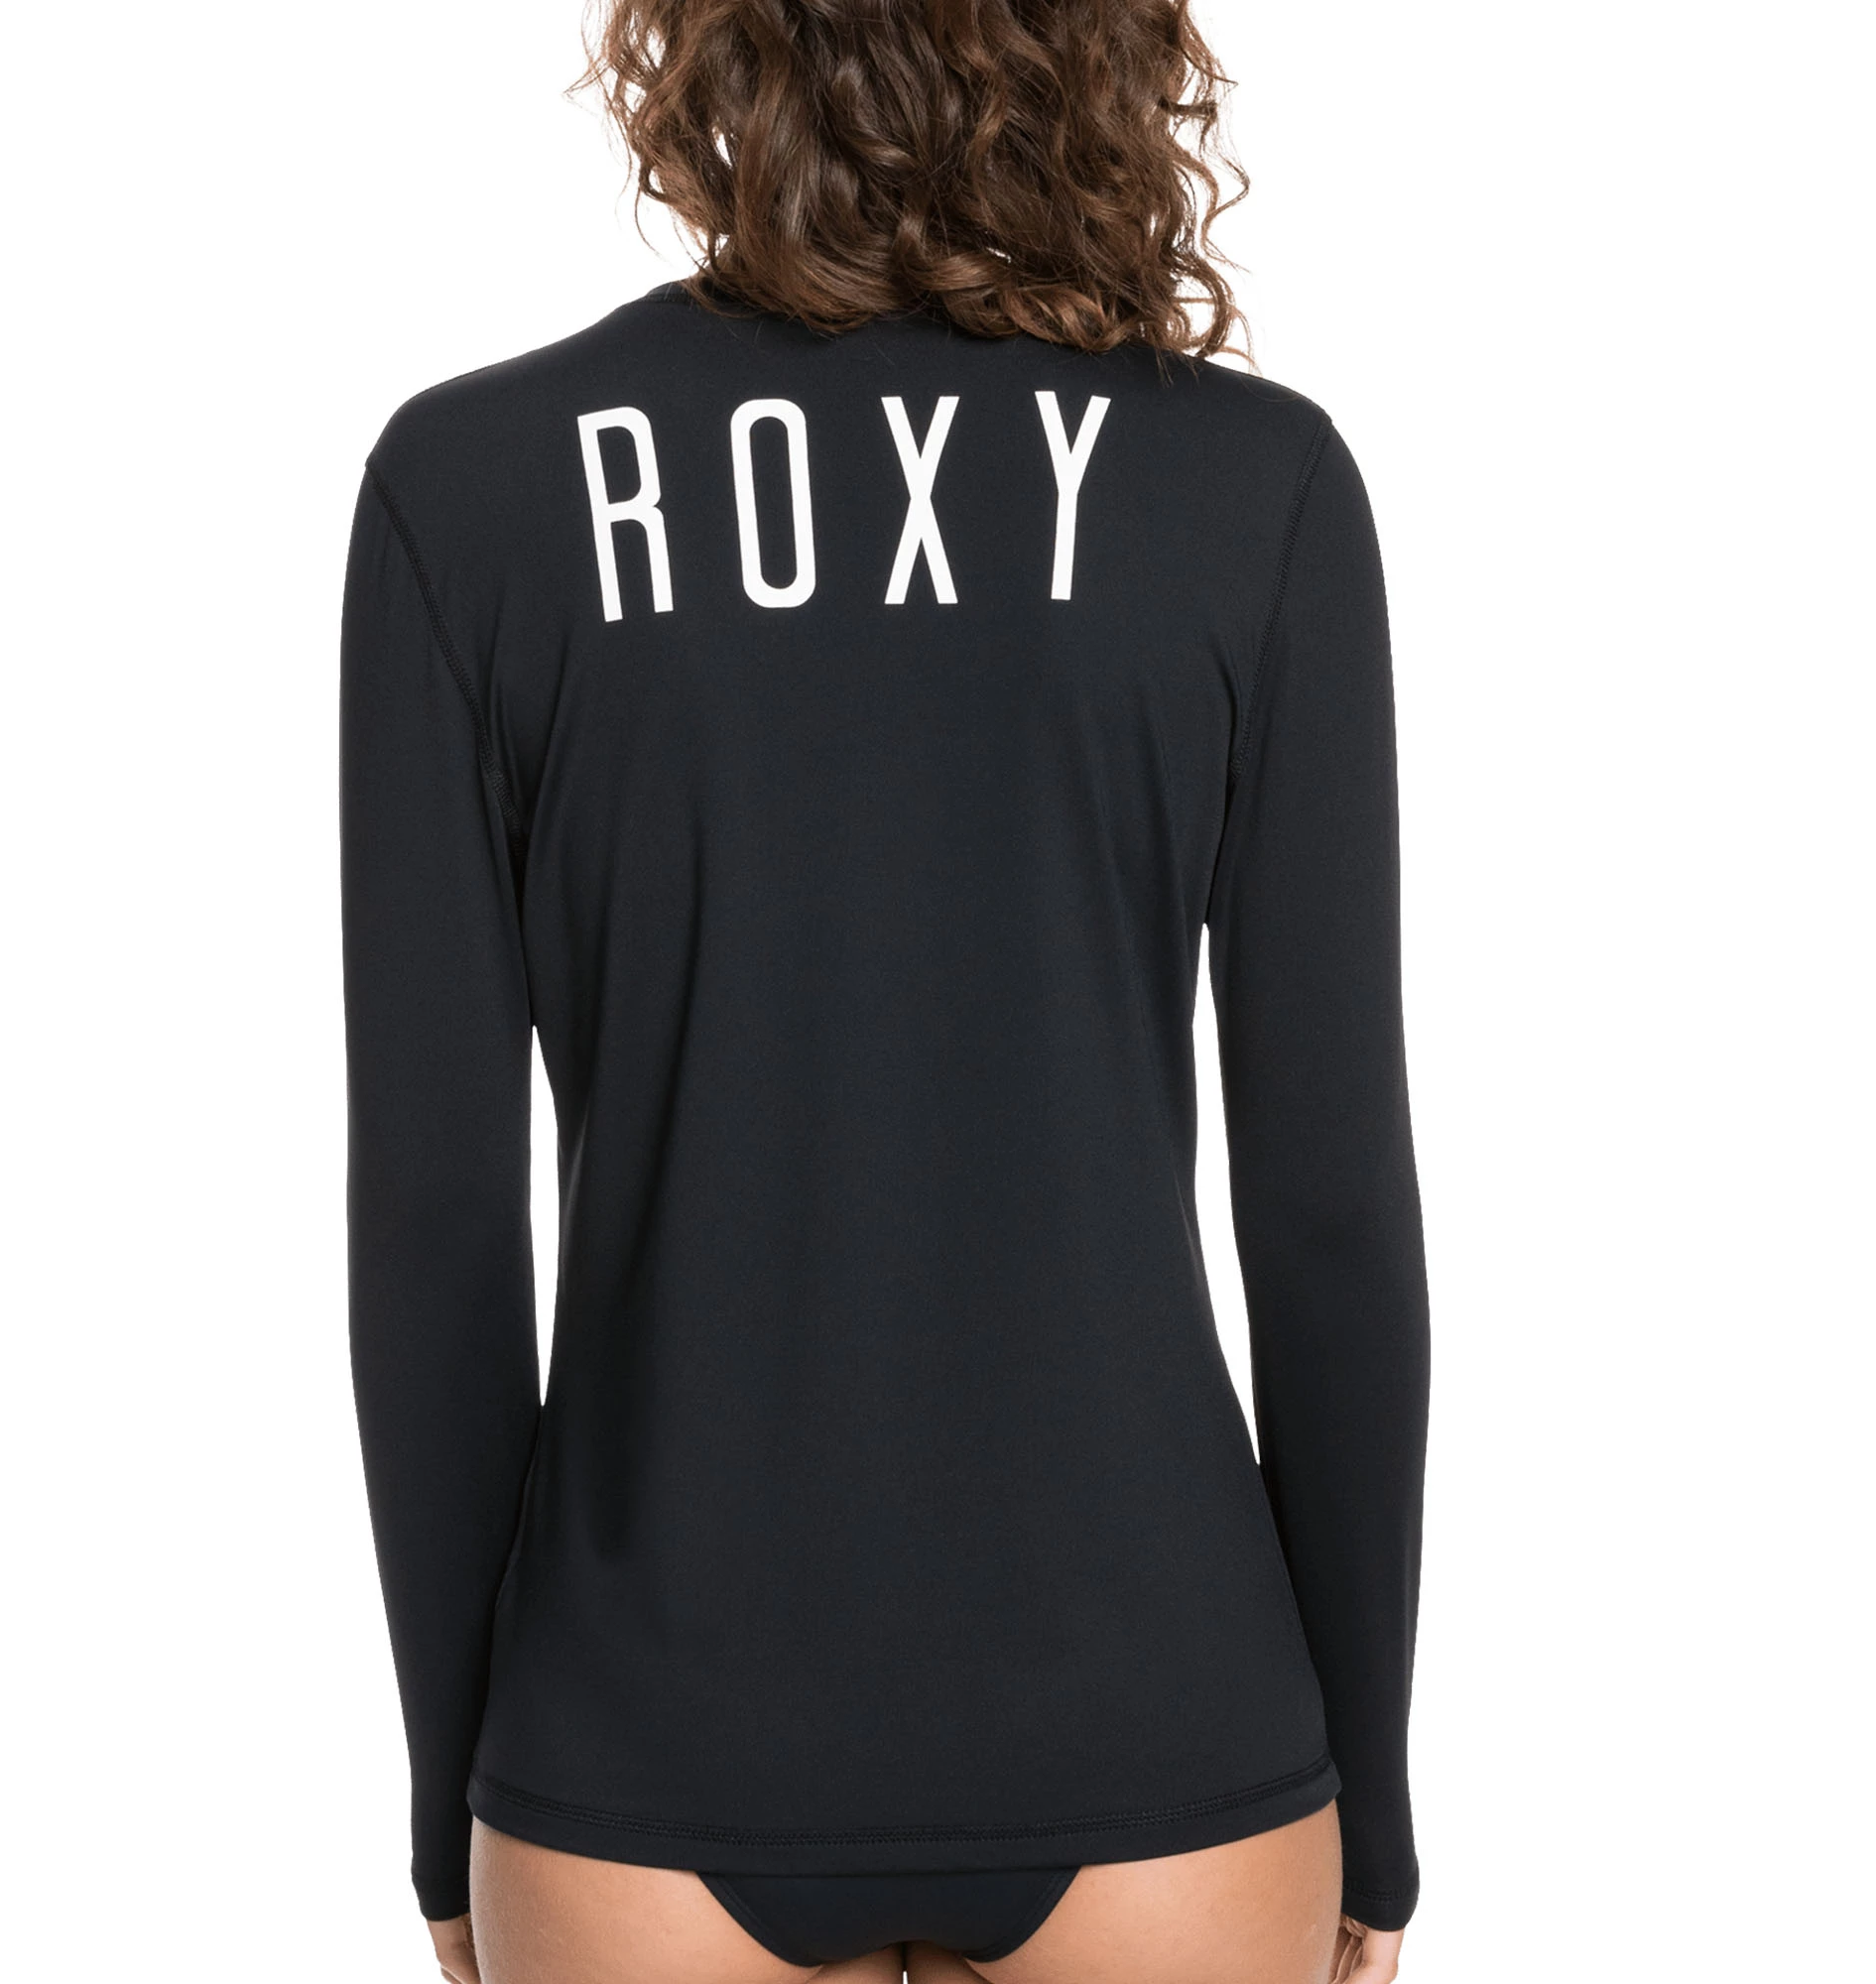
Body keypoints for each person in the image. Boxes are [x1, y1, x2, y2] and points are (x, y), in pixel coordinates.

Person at [338, 2, 1431, 1980]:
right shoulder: (1248, 489)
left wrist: (447, 1807)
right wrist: (1379, 1799)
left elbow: (433, 1223)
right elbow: (1329, 1210)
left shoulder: (474, 486)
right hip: (1161, 1729)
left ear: (708, 41)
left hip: (637, 1738)